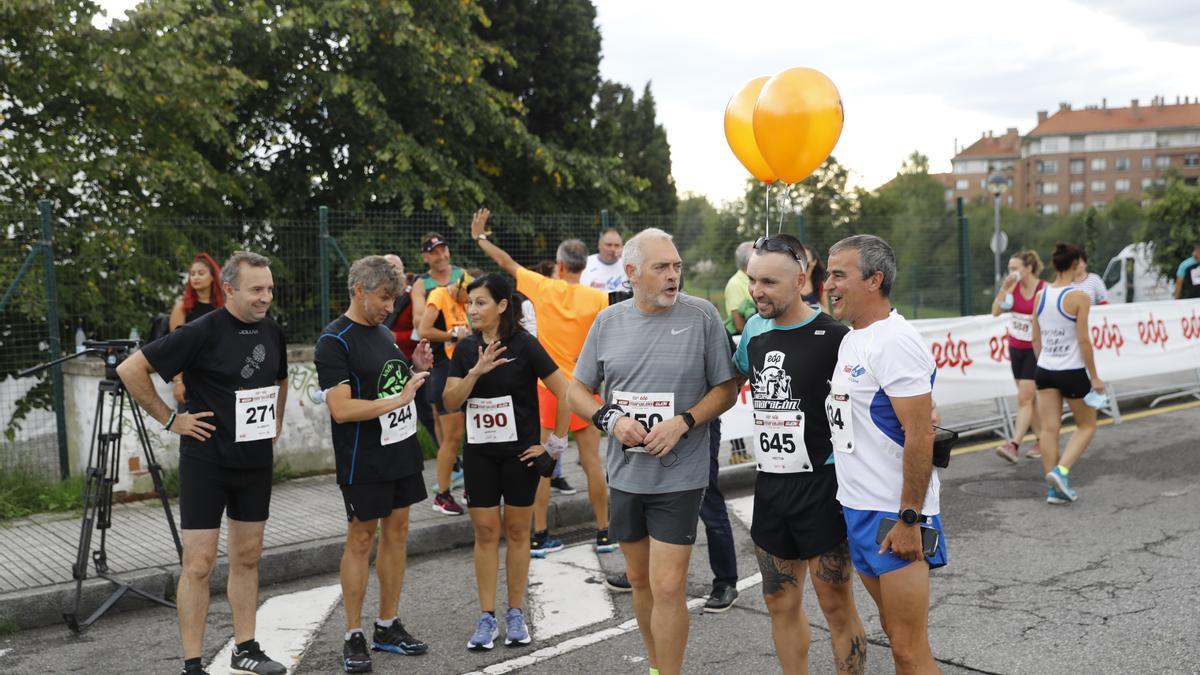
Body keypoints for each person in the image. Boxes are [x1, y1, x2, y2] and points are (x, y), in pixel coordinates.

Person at [567, 228, 739, 675]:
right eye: (661, 267)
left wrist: (684, 422)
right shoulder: (608, 322)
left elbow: (726, 389)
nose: (672, 276)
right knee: (641, 581)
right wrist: (609, 419)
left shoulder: (702, 316)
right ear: (631, 273)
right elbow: (577, 391)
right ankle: (656, 665)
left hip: (680, 474)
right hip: (625, 475)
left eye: (677, 266)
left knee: (667, 585)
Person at [117, 251, 289, 675]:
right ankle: (192, 664)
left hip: (254, 459)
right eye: (256, 290)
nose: (265, 297)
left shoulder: (272, 331)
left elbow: (281, 377)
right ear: (229, 289)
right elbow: (131, 369)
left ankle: (245, 647)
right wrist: (171, 419)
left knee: (248, 555)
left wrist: (277, 423)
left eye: (269, 288)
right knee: (198, 563)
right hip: (206, 460)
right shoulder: (202, 330)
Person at [732, 234, 866, 674]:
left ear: (801, 279)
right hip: (771, 482)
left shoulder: (835, 338)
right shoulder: (753, 329)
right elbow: (727, 383)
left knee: (835, 604)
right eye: (752, 280)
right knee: (777, 600)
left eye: (769, 281)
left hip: (822, 484)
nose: (757, 291)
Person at [824, 235, 946, 675]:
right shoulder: (853, 338)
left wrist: (910, 517)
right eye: (827, 273)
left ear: (875, 280)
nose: (828, 283)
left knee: (909, 648)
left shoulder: (894, 340)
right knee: (897, 638)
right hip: (858, 508)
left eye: (840, 274)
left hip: (894, 515)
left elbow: (919, 434)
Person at [314, 256, 435, 673]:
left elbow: (390, 385)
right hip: (362, 458)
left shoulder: (384, 333)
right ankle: (352, 634)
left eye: (395, 298)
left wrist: (415, 370)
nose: (390, 306)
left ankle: (387, 625)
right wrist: (399, 400)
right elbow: (342, 409)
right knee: (362, 539)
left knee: (398, 532)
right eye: (385, 298)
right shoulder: (334, 342)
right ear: (360, 290)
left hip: (400, 449)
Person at [469, 208, 614, 557]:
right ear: (584, 266)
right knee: (593, 463)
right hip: (583, 387)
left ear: (560, 265)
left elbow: (506, 263)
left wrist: (480, 238)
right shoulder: (597, 297)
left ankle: (539, 534)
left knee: (543, 461)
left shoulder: (544, 286)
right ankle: (605, 532)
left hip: (547, 387)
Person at [442, 273, 571, 651]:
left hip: (521, 457)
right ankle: (486, 617)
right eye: (470, 303)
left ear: (501, 306)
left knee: (517, 533)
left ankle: (516, 613)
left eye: (480, 302)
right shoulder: (466, 349)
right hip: (480, 455)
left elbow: (565, 391)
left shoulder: (524, 345)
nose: (473, 309)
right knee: (484, 533)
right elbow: (450, 401)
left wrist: (555, 446)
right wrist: (477, 371)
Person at [1031, 242, 1105, 505]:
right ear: (1075, 264)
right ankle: (1061, 472)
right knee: (1086, 425)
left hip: (1044, 371)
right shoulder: (1079, 297)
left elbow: (1035, 338)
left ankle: (1054, 490)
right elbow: (1084, 341)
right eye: (1081, 262)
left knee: (1050, 429)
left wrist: (1045, 362)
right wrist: (1094, 377)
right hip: (1072, 371)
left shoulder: (1041, 295)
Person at [418, 262, 472, 516]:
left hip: (460, 372)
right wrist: (452, 334)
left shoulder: (464, 301)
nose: (470, 303)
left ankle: (469, 488)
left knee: (468, 436)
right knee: (451, 439)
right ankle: (442, 495)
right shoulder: (439, 294)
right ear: (459, 286)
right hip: (443, 371)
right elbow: (424, 330)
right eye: (468, 296)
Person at [992, 250, 1045, 463]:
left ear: (1029, 268)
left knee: (1024, 398)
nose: (1011, 272)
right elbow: (996, 311)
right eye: (1009, 269)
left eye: (1015, 268)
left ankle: (1013, 445)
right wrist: (1004, 288)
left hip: (1035, 349)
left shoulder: (1044, 289)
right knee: (1028, 400)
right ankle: (1043, 440)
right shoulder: (1012, 288)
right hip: (1016, 349)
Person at [381, 254, 438, 445]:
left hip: (413, 361)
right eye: (386, 268)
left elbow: (421, 330)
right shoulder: (380, 296)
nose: (391, 273)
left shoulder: (412, 295)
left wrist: (397, 337)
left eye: (394, 268)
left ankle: (451, 458)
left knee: (425, 412)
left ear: (403, 270)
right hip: (389, 363)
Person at [168, 252, 226, 405]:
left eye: (201, 273)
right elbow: (176, 347)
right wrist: (178, 382)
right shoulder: (182, 307)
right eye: (192, 274)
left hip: (221, 379)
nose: (195, 277)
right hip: (192, 382)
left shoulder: (224, 307)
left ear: (213, 276)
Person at [580, 226, 630, 296]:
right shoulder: (585, 263)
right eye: (609, 245)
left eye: (617, 245)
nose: (613, 249)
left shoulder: (628, 265)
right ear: (599, 245)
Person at [724, 241, 755, 335]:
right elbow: (739, 325)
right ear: (749, 260)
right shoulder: (734, 284)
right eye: (758, 254)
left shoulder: (757, 278)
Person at [800, 242, 832, 315]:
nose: (802, 259)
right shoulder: (791, 283)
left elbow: (827, 313)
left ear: (814, 262)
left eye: (805, 256)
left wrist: (814, 306)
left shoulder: (820, 285)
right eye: (800, 256)